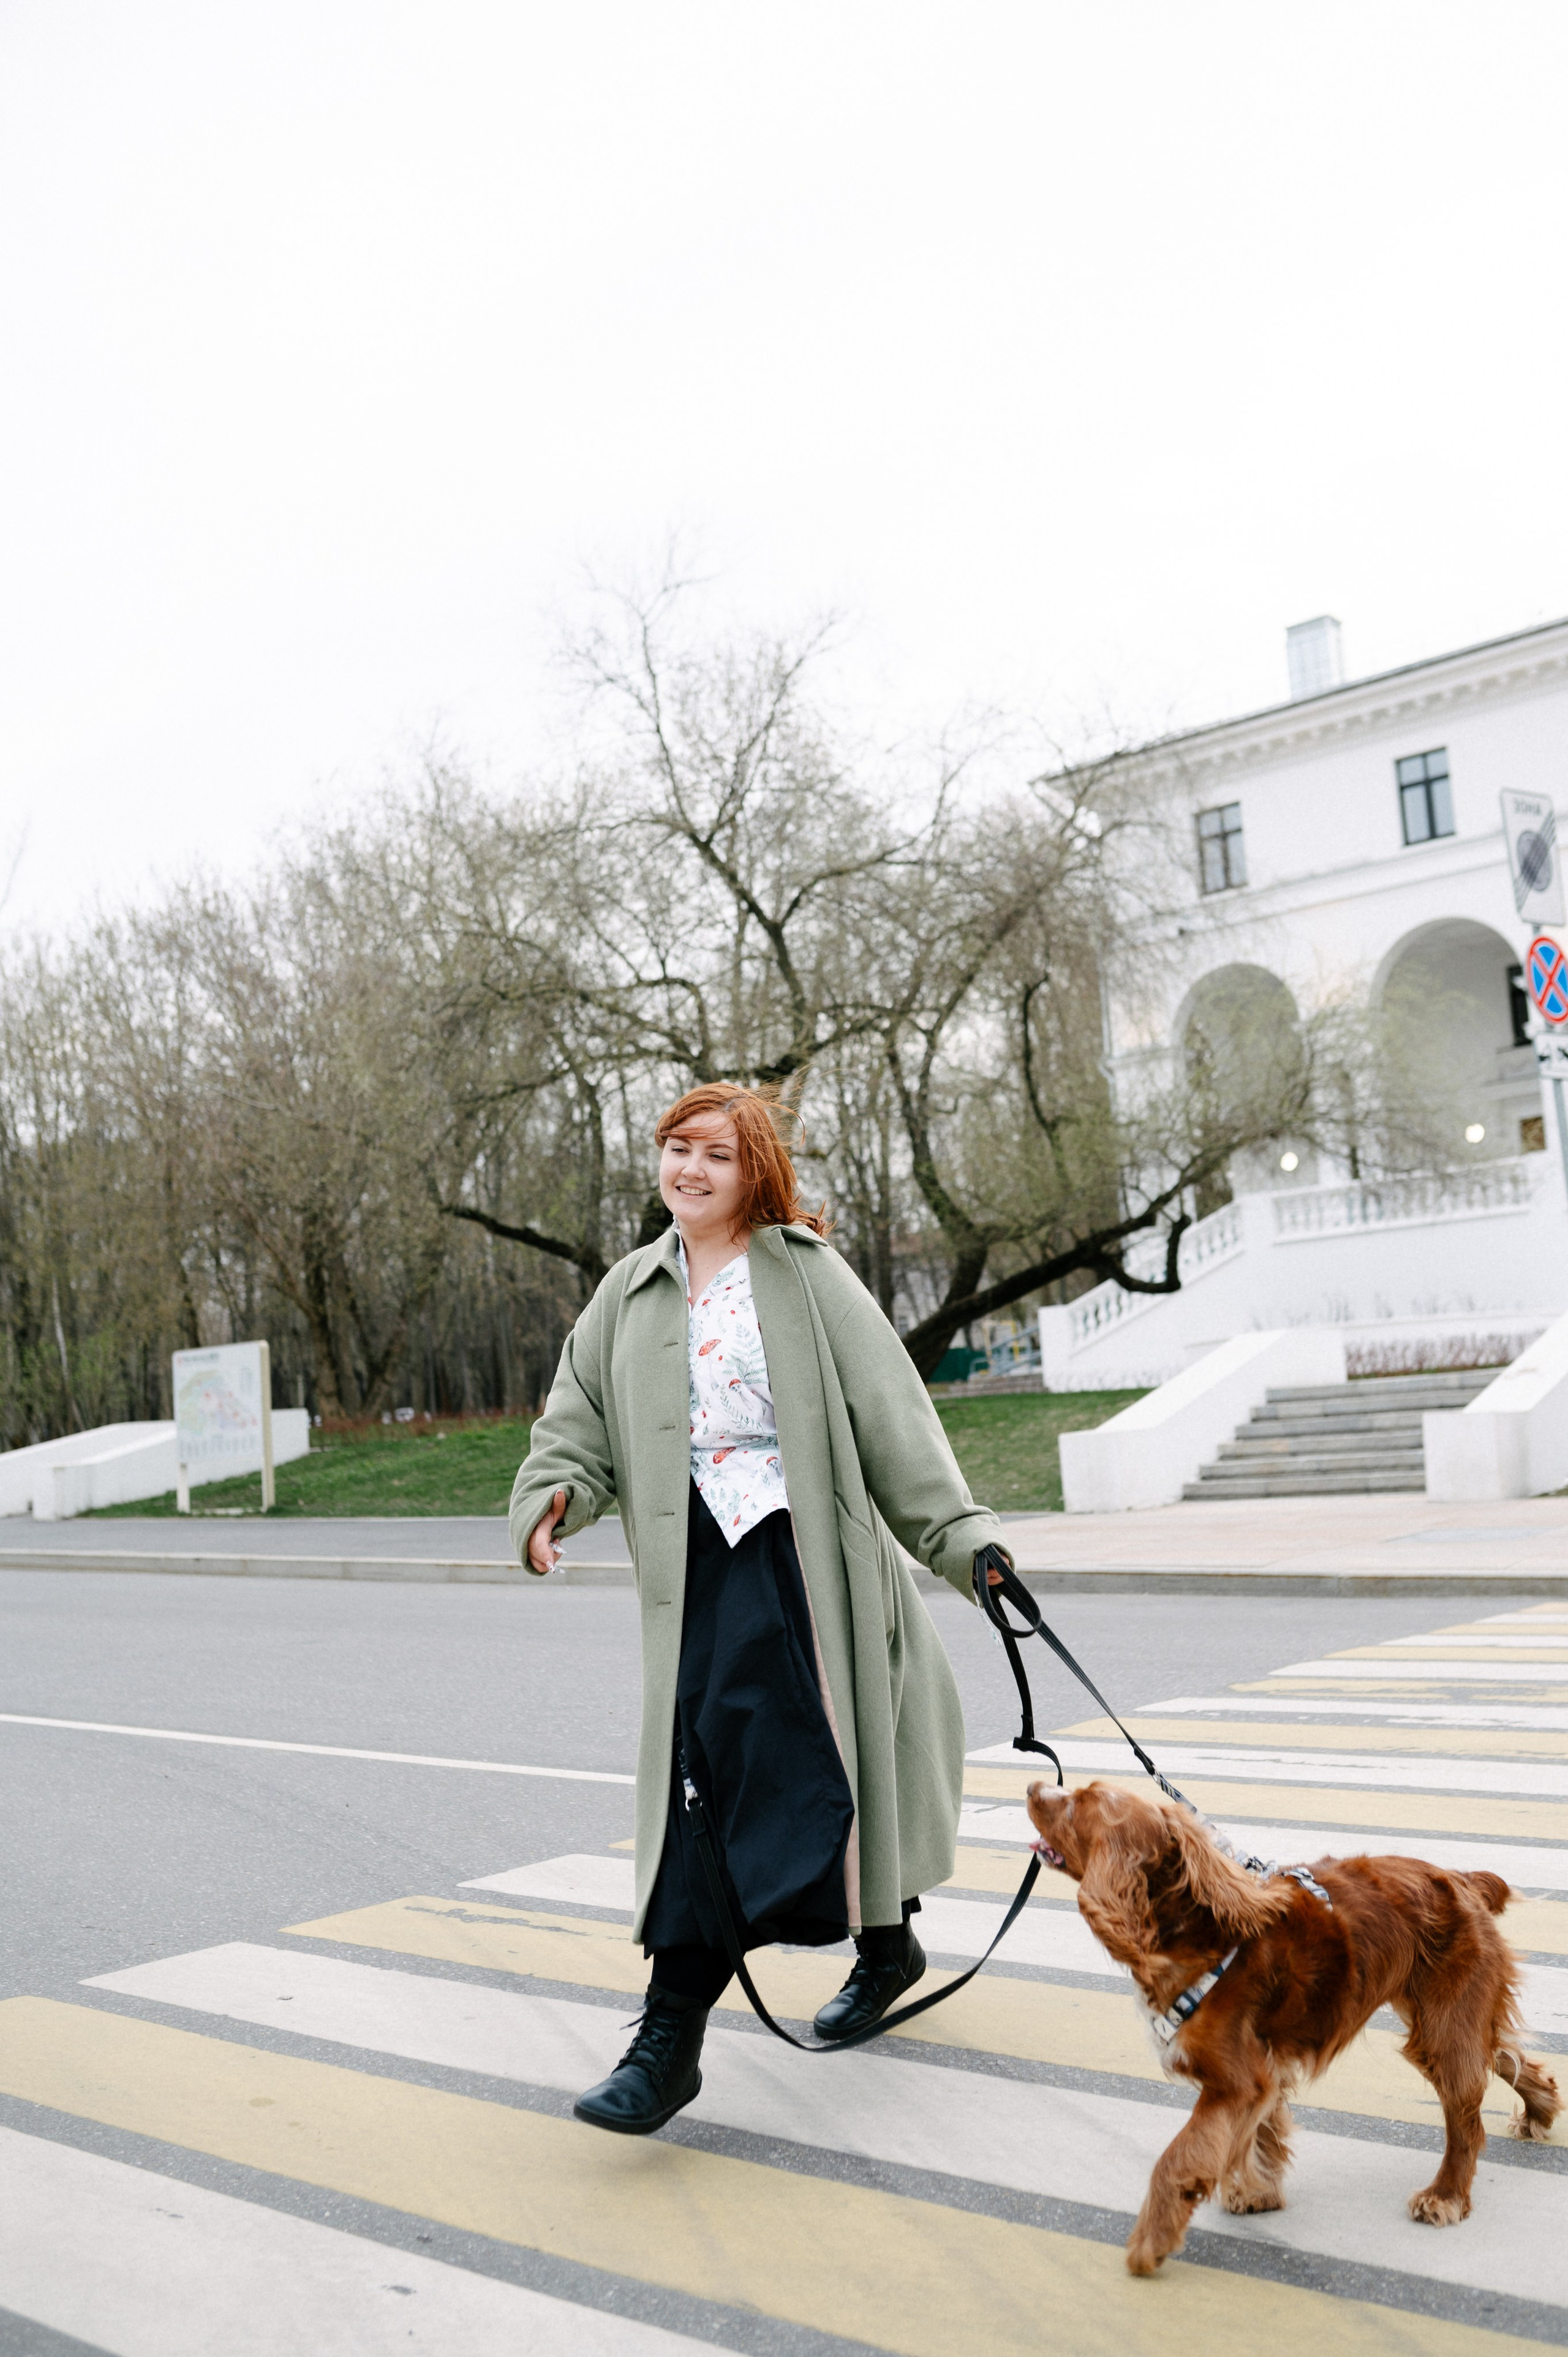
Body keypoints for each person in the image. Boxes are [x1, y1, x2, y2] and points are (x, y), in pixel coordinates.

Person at [510, 1082, 1012, 2135]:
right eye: (677, 1148)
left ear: (756, 1175)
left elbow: (895, 1420)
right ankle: (682, 2032)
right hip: (691, 1570)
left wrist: (965, 1545)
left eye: (717, 1157)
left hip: (802, 1559)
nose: (690, 1170)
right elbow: (578, 1421)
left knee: (807, 1768)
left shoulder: (806, 1277)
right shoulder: (630, 1291)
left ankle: (836, 1967)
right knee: (707, 1782)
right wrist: (554, 1499)